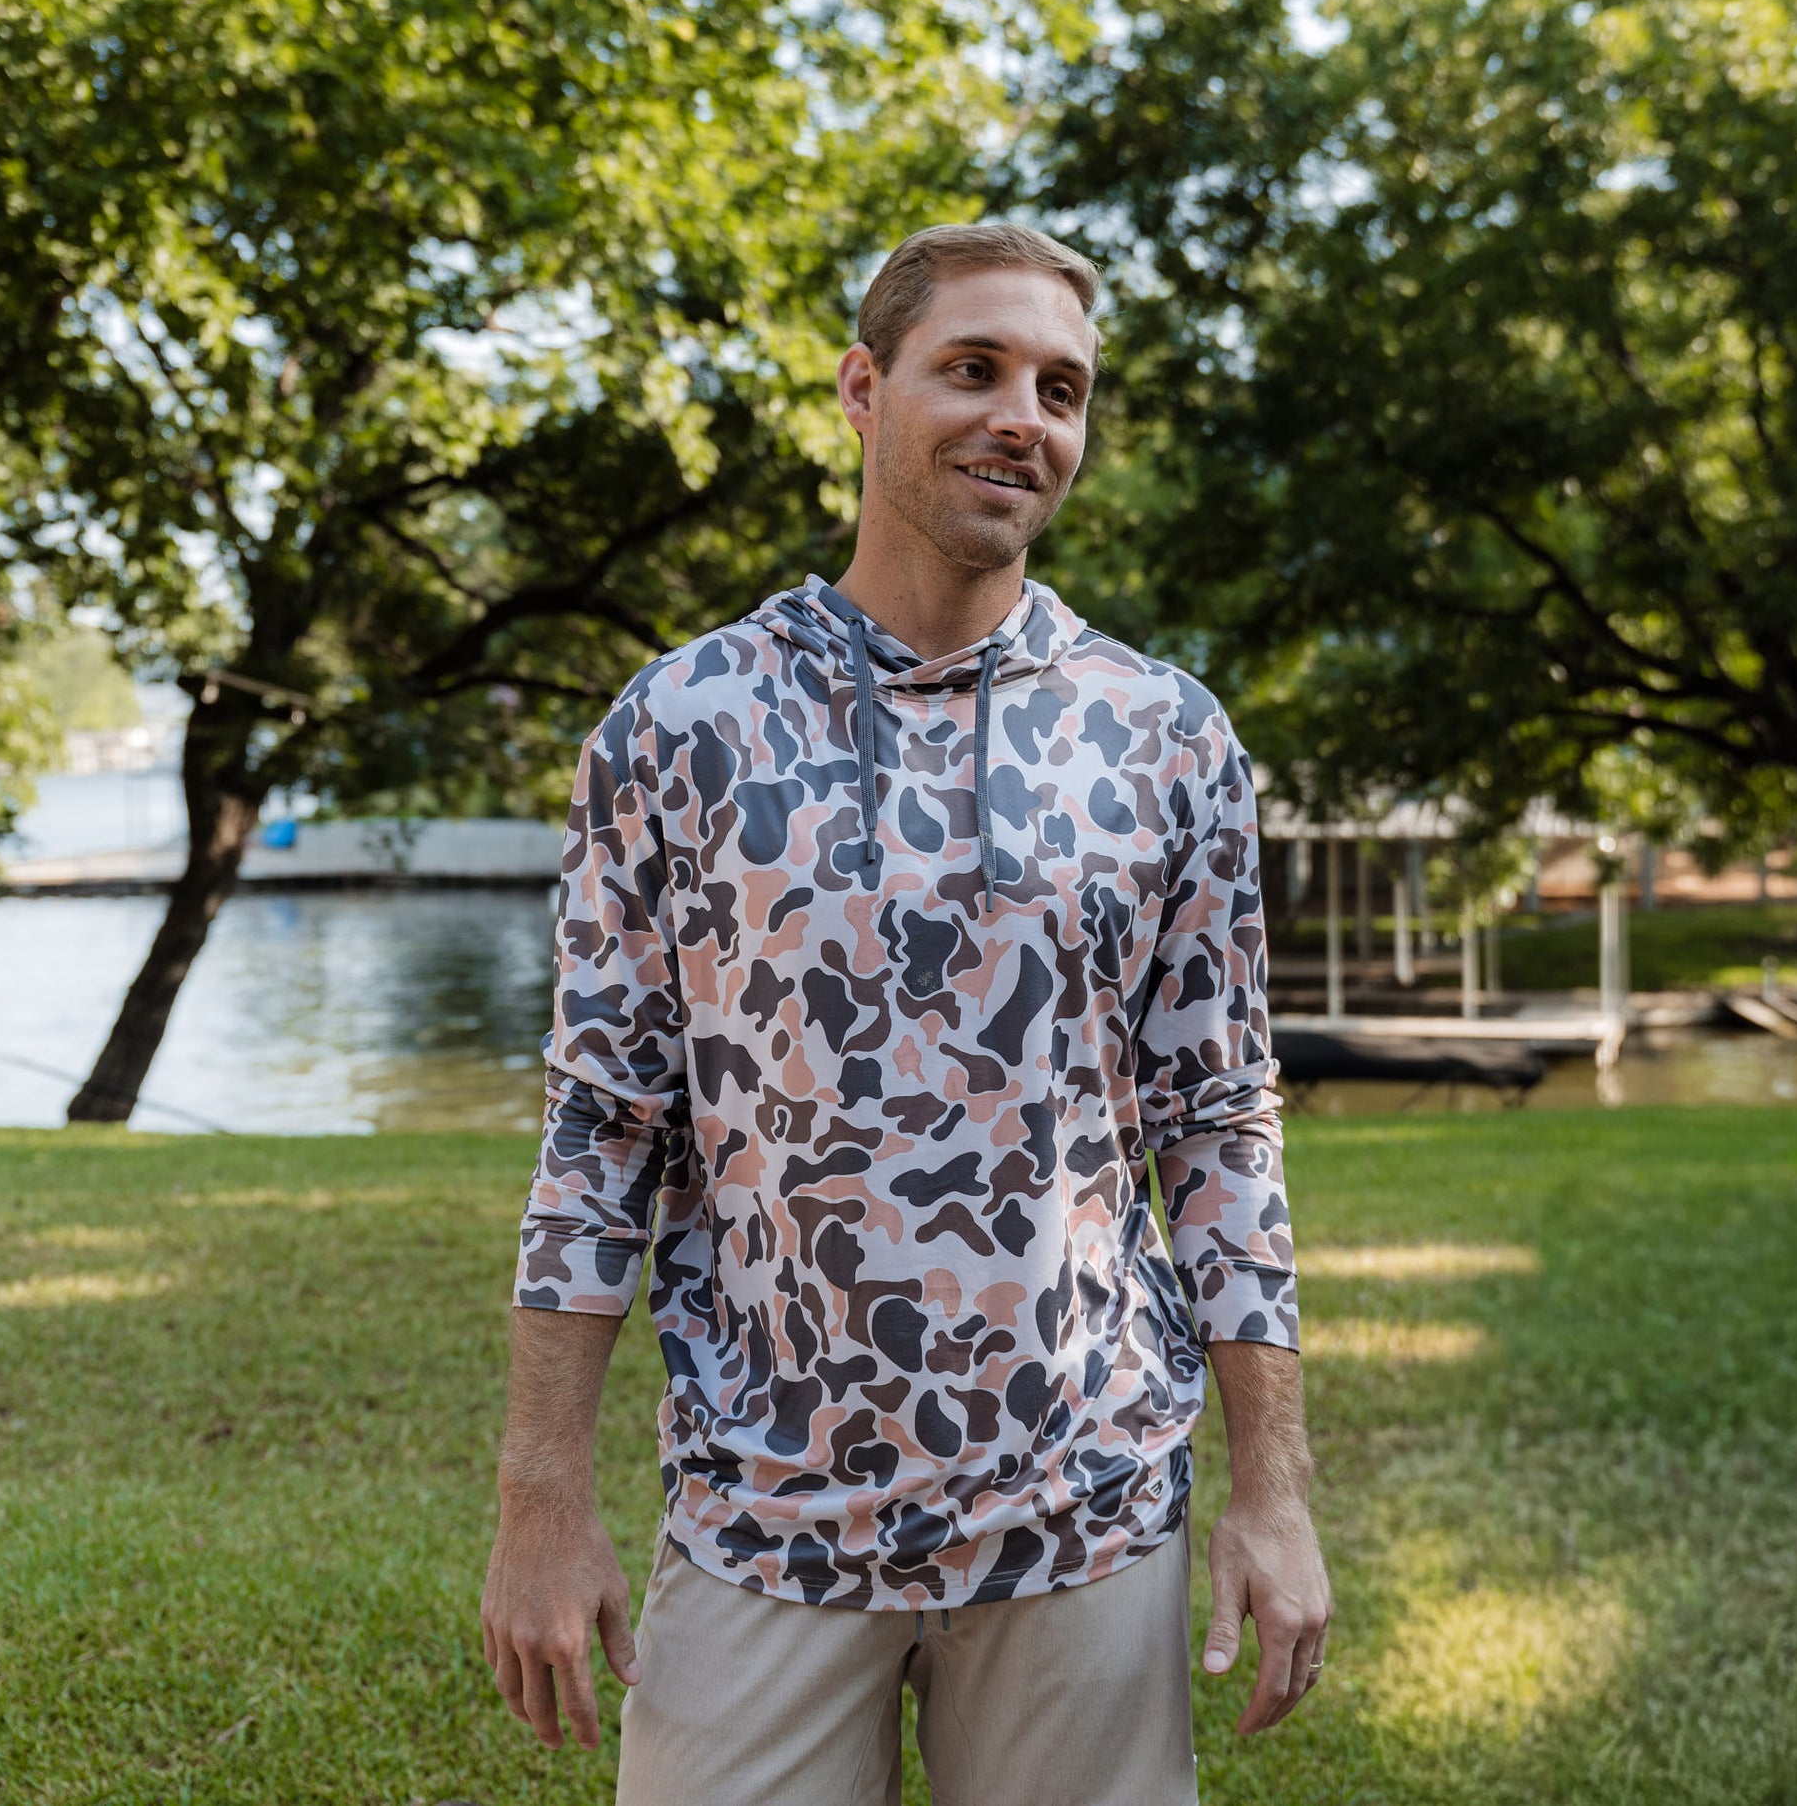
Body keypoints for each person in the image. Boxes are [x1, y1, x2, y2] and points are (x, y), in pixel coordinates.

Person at [481, 223, 1330, 1804]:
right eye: (973, 368)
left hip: (1086, 1510)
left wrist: (1271, 1491)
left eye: (1061, 388)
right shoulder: (681, 723)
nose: (1023, 416)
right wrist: (541, 1497)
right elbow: (602, 1127)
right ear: (863, 390)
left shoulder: (1165, 736)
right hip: (761, 1507)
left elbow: (1219, 1127)